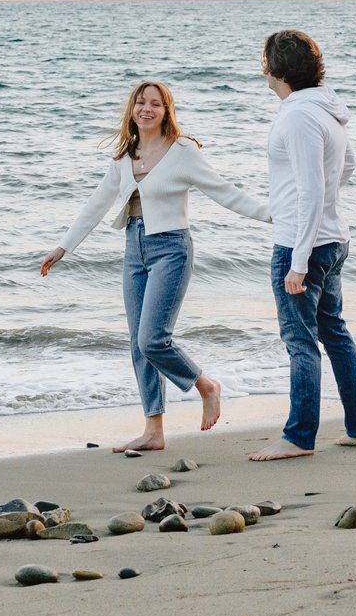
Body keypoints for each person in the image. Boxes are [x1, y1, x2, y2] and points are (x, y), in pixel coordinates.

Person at [41, 80, 270, 452]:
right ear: (132, 110)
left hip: (171, 249)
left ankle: (205, 386)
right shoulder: (124, 157)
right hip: (134, 248)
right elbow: (96, 205)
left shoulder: (182, 152)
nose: (147, 109)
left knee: (153, 339)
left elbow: (225, 191)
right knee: (138, 344)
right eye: (141, 103)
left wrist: (274, 216)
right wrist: (63, 247)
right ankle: (154, 430)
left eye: (156, 104)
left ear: (167, 112)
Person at [249, 29, 356, 461]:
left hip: (303, 246)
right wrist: (323, 203)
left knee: (301, 341)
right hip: (331, 238)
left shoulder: (298, 116)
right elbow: (348, 166)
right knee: (334, 334)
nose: (263, 70)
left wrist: (298, 261)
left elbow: (309, 190)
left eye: (265, 62)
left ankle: (299, 437)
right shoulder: (325, 110)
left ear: (276, 68)